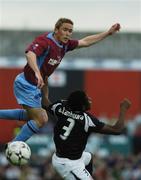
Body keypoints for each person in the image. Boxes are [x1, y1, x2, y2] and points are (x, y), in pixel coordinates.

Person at [0, 18, 121, 142]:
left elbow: (85, 42)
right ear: (56, 30)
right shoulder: (45, 41)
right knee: (42, 119)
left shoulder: (65, 45)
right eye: (65, 30)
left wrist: (107, 33)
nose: (68, 33)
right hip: (27, 83)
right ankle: (14, 146)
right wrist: (37, 73)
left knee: (32, 115)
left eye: (70, 31)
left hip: (36, 86)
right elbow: (30, 54)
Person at [44, 84, 131, 180]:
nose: (89, 99)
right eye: (86, 98)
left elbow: (45, 102)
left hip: (61, 157)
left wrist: (44, 84)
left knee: (88, 157)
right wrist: (123, 109)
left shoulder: (61, 107)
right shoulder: (86, 120)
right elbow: (117, 129)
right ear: (82, 106)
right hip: (69, 164)